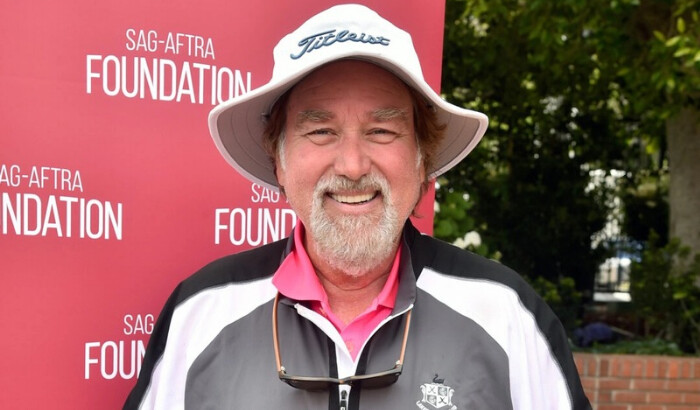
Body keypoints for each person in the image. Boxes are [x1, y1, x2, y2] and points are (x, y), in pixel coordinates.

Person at [124, 4, 591, 409]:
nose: (351, 165)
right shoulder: (201, 312)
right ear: (280, 162)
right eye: (321, 131)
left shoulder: (507, 315)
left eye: (382, 131)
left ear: (421, 158)